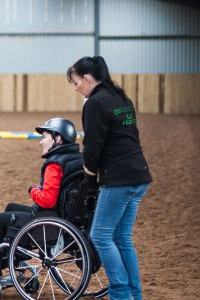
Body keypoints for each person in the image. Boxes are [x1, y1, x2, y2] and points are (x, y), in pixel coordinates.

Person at [68, 56, 151, 300]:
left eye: (76, 82)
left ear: (86, 78)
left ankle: (120, 294)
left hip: (119, 178)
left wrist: (89, 179)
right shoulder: (122, 98)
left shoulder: (94, 103)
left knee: (101, 236)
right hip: (139, 174)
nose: (76, 88)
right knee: (121, 238)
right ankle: (134, 295)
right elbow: (132, 136)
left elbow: (92, 148)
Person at [0, 118, 82, 282]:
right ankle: (11, 259)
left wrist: (33, 190)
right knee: (10, 207)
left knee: (1, 219)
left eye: (45, 137)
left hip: (50, 222)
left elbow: (47, 200)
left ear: (58, 139)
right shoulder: (76, 159)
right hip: (67, 217)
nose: (41, 142)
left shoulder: (54, 164)